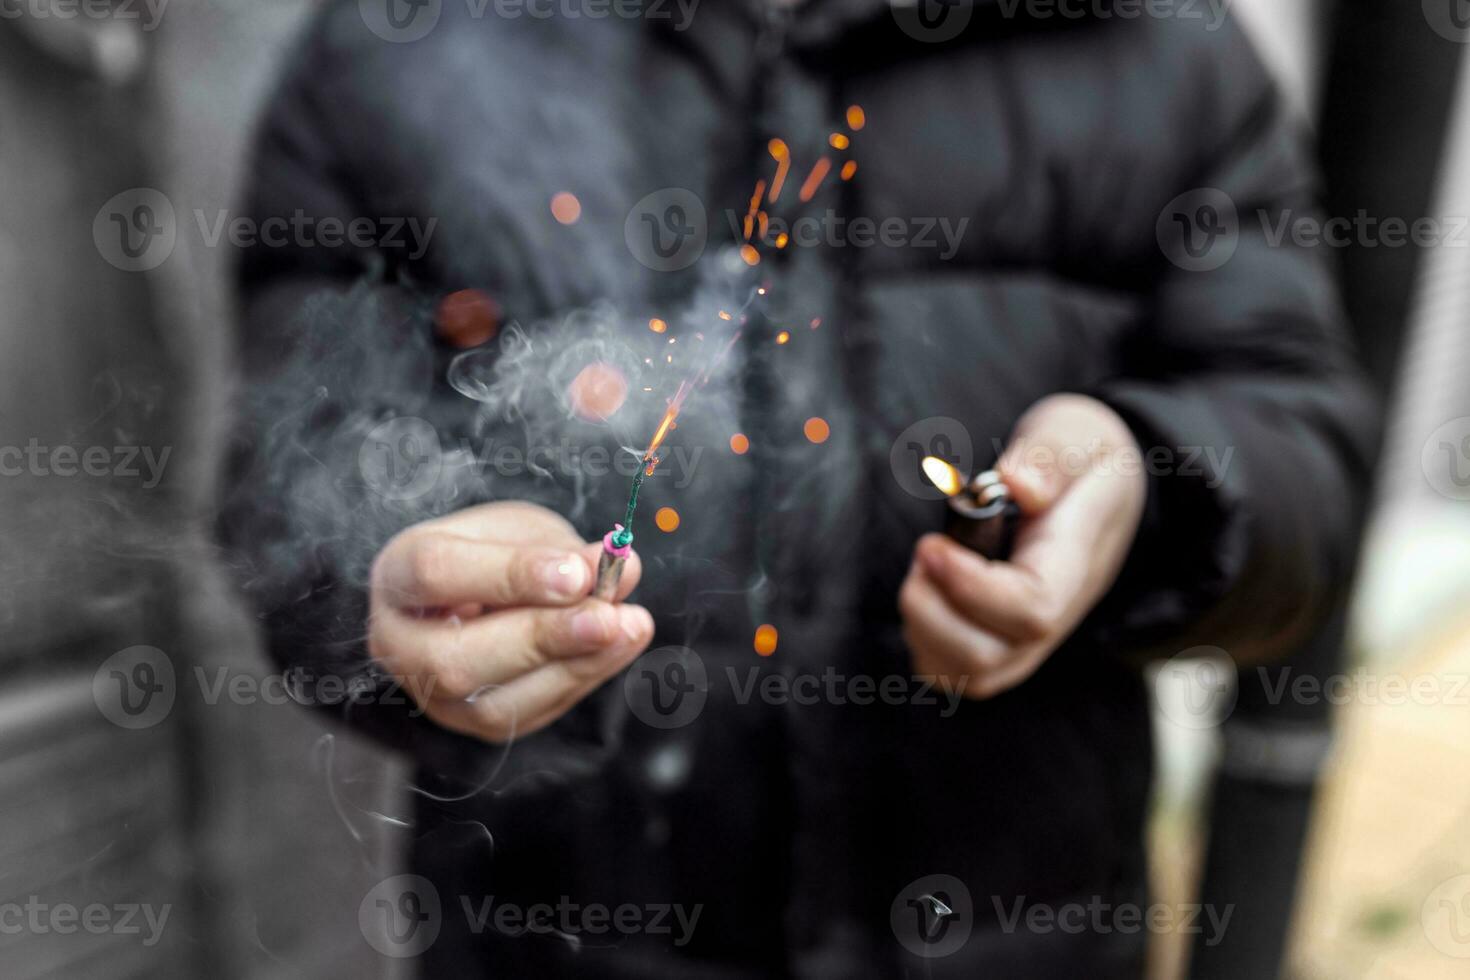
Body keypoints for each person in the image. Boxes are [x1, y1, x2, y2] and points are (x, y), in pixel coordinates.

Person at [220, 0, 1378, 975]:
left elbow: (1300, 445)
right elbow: (286, 466)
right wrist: (401, 585)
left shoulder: (1156, 48)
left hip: (1022, 929)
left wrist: (1148, 485)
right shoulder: (401, 43)